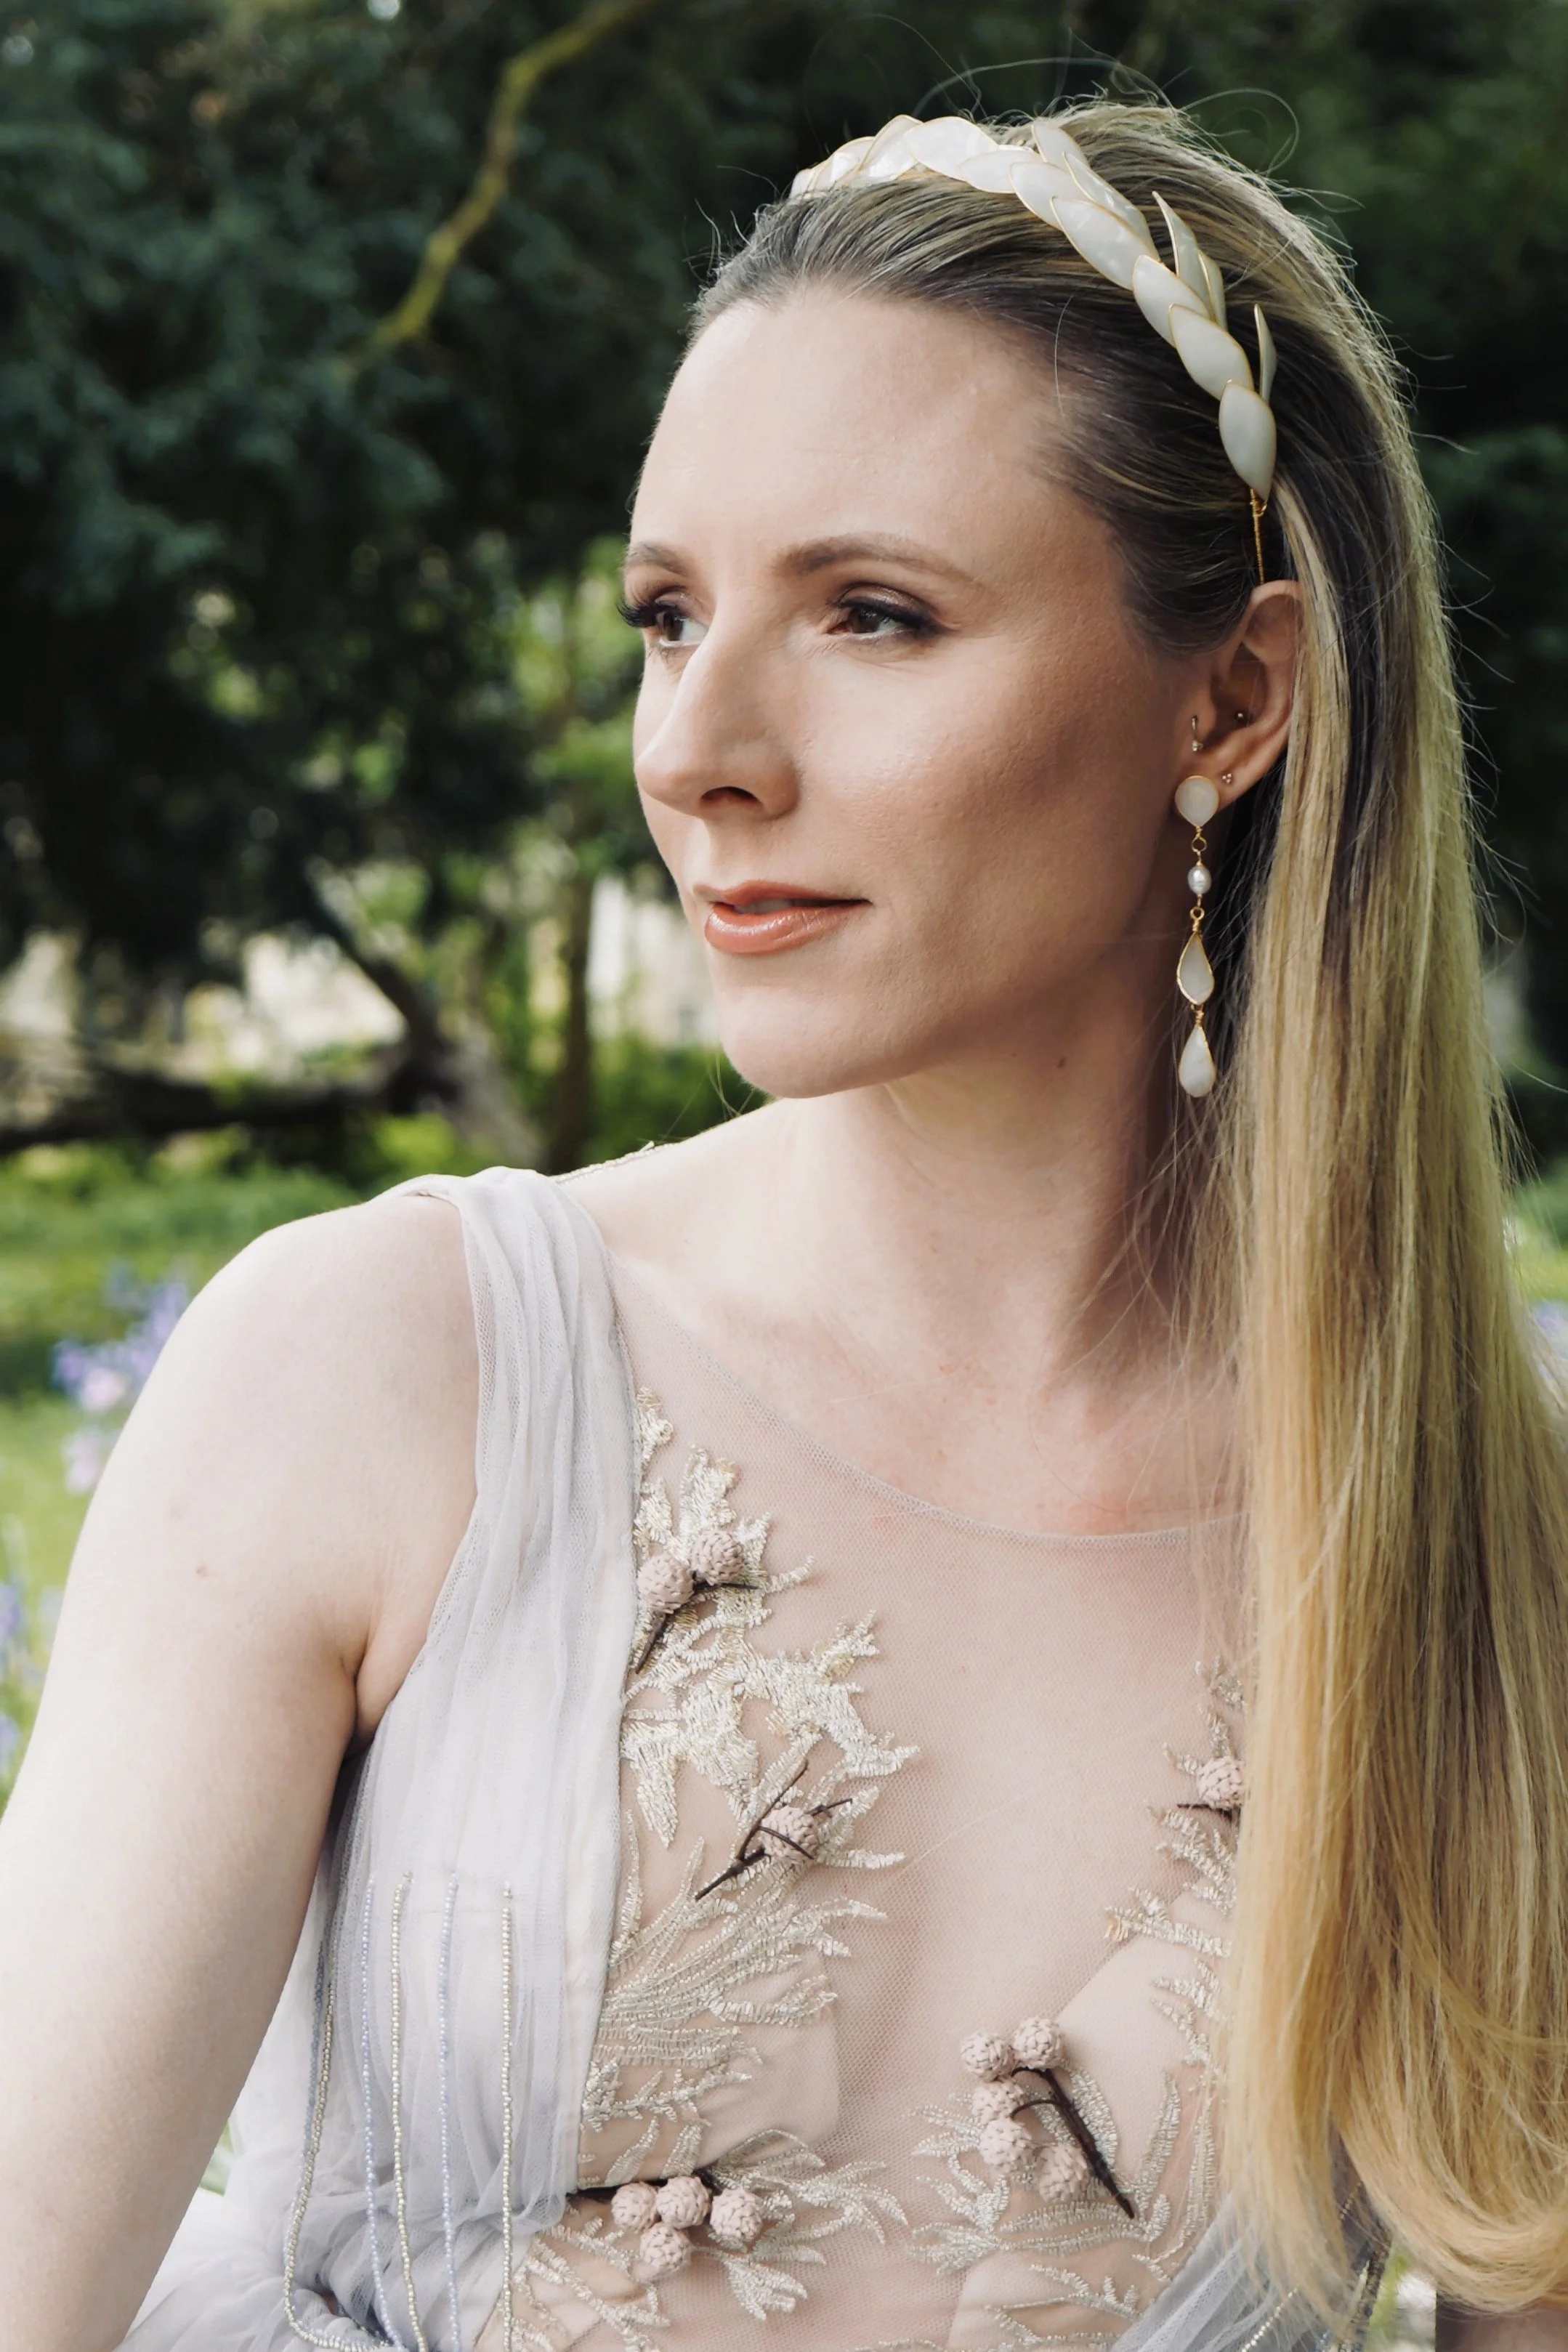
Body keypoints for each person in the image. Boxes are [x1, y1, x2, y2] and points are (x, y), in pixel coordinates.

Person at [3, 94, 1567, 2352]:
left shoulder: (1486, 1520)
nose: (698, 746)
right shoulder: (376, 1369)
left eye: (871, 613)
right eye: (665, 614)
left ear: (1230, 694)